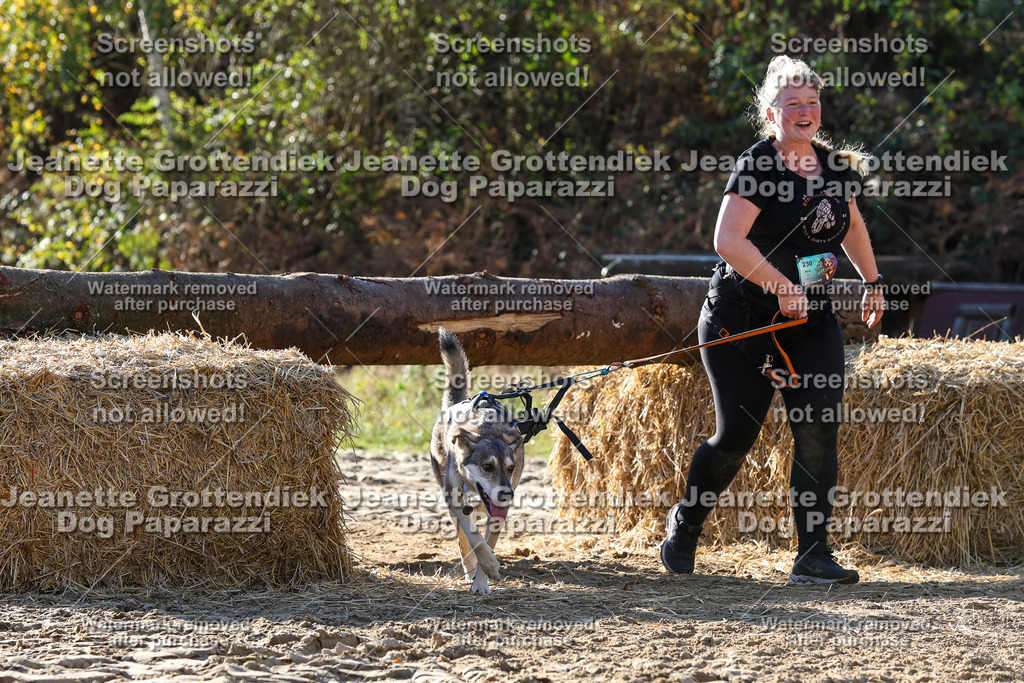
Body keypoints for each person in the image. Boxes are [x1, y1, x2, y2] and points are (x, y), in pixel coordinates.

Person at [660, 55, 885, 584]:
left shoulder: (832, 167)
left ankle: (812, 556)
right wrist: (780, 286)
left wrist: (872, 281)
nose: (805, 112)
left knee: (818, 430)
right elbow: (726, 241)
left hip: (809, 323)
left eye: (812, 103)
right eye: (793, 104)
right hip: (742, 324)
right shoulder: (758, 165)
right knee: (737, 436)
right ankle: (686, 527)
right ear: (770, 112)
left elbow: (849, 222)